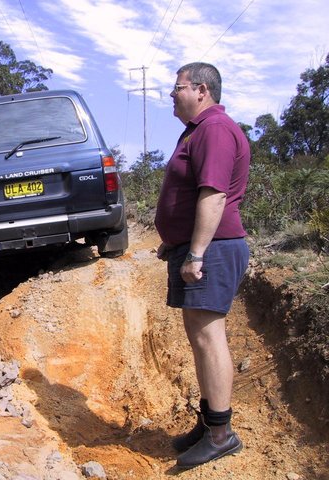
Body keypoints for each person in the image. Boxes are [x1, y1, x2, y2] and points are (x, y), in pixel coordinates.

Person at [155, 62, 250, 469]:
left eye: (176, 88)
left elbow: (213, 196)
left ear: (201, 89)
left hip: (213, 249)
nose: (171, 95)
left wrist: (195, 253)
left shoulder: (213, 129)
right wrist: (177, 244)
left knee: (210, 337)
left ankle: (221, 435)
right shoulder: (198, 130)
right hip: (199, 247)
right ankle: (209, 420)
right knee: (199, 336)